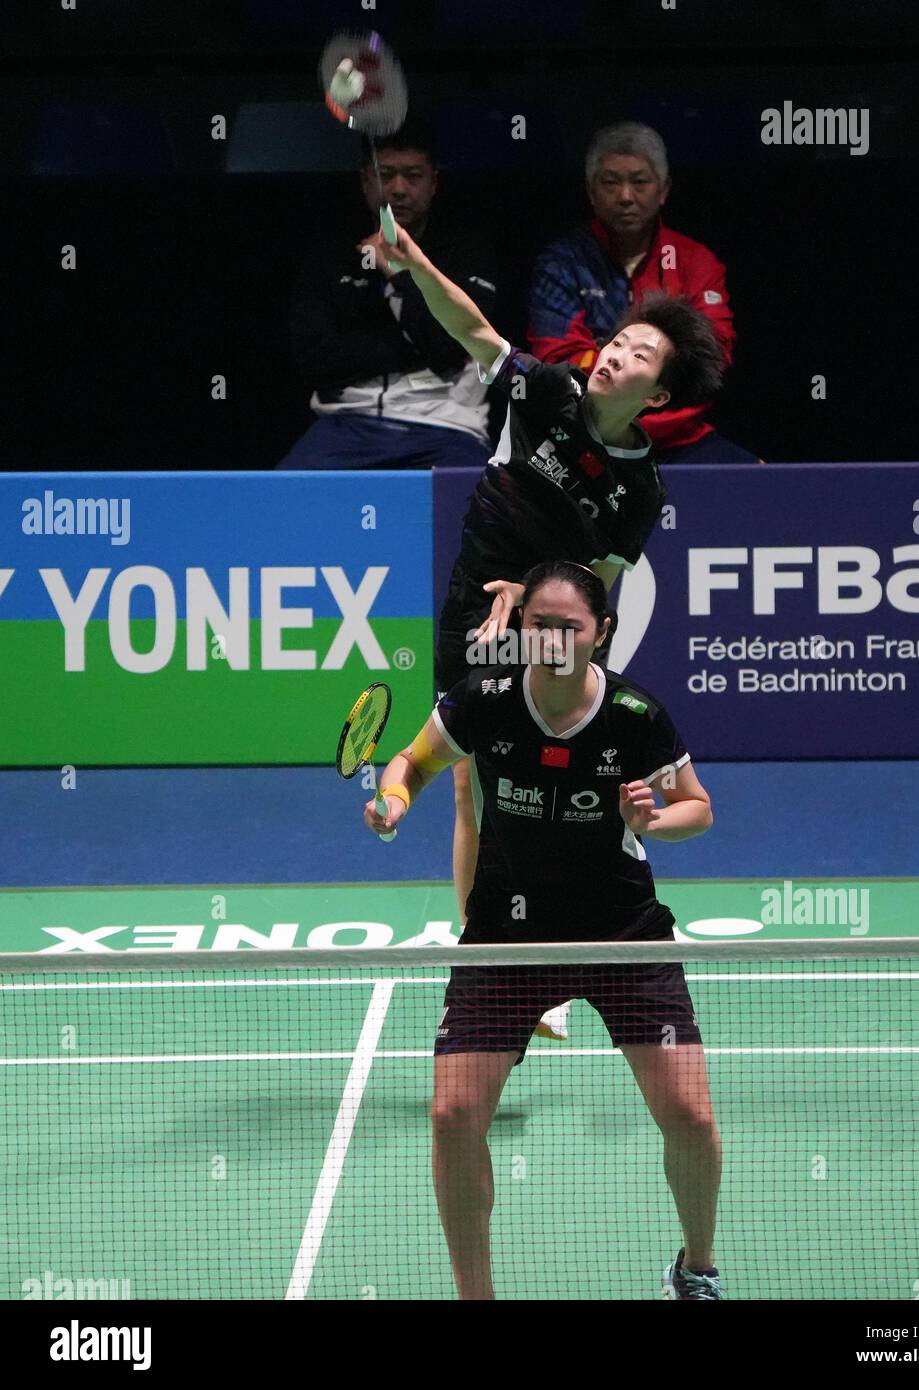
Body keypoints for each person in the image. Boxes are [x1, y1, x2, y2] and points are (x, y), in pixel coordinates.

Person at [364, 214, 725, 1041]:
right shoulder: (545, 392)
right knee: (465, 780)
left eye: (639, 354)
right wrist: (415, 255)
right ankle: (492, 961)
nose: (617, 354)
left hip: (552, 630)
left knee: (557, 790)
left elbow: (598, 590)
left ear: (657, 394)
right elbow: (473, 328)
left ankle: (577, 931)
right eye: (617, 340)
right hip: (470, 610)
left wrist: (531, 601)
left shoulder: (639, 493)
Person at [364, 560, 724, 1301]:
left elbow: (698, 807)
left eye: (570, 627)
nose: (553, 639)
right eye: (539, 625)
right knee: (453, 1114)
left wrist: (653, 819)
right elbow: (414, 760)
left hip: (621, 934)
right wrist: (395, 797)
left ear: (601, 634)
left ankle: (696, 1267)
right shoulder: (486, 698)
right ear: (520, 629)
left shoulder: (632, 715)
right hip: (508, 937)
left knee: (688, 1115)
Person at [528, 120, 760, 464]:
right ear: (591, 192)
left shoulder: (697, 262)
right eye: (611, 182)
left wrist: (604, 357)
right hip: (587, 438)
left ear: (663, 189)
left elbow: (711, 361)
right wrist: (649, 368)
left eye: (639, 182)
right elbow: (556, 362)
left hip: (683, 438)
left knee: (758, 480)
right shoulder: (560, 263)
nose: (625, 196)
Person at [279, 117, 497, 469]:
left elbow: (452, 349)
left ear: (433, 183)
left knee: (483, 511)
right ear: (366, 182)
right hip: (345, 427)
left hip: (447, 427)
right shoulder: (330, 257)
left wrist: (400, 277)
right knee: (278, 507)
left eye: (413, 176)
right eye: (386, 175)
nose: (398, 189)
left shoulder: (468, 255)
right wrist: (413, 347)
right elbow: (313, 361)